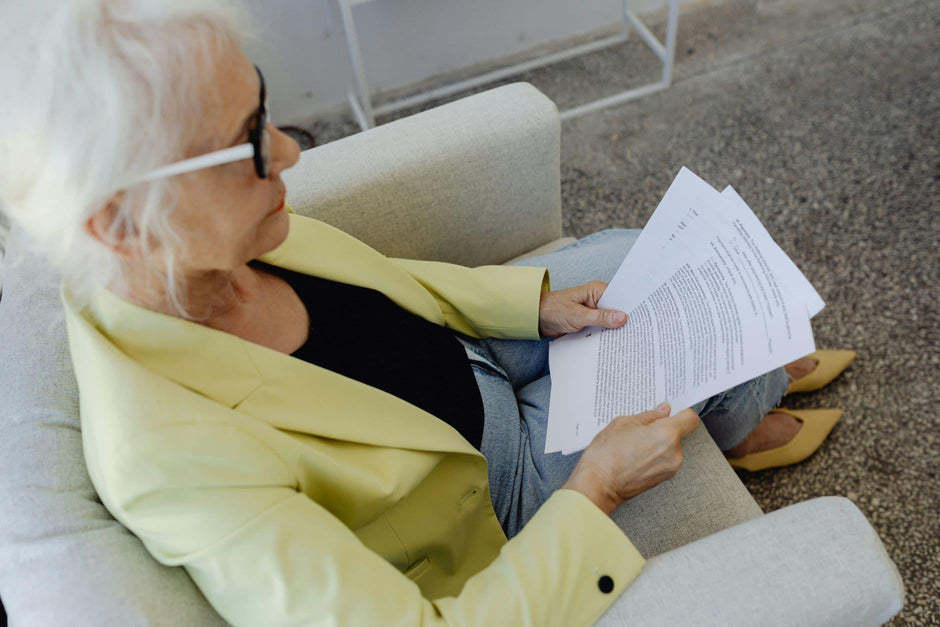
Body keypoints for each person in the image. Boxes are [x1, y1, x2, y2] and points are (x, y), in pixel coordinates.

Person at [0, 1, 854, 624]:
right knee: (694, 347)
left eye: (264, 104)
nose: (293, 148)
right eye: (251, 139)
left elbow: (379, 289)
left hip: (475, 349)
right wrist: (597, 487)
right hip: (491, 492)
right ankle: (744, 416)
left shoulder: (210, 244)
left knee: (646, 251)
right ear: (118, 224)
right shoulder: (178, 465)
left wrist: (528, 304)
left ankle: (745, 390)